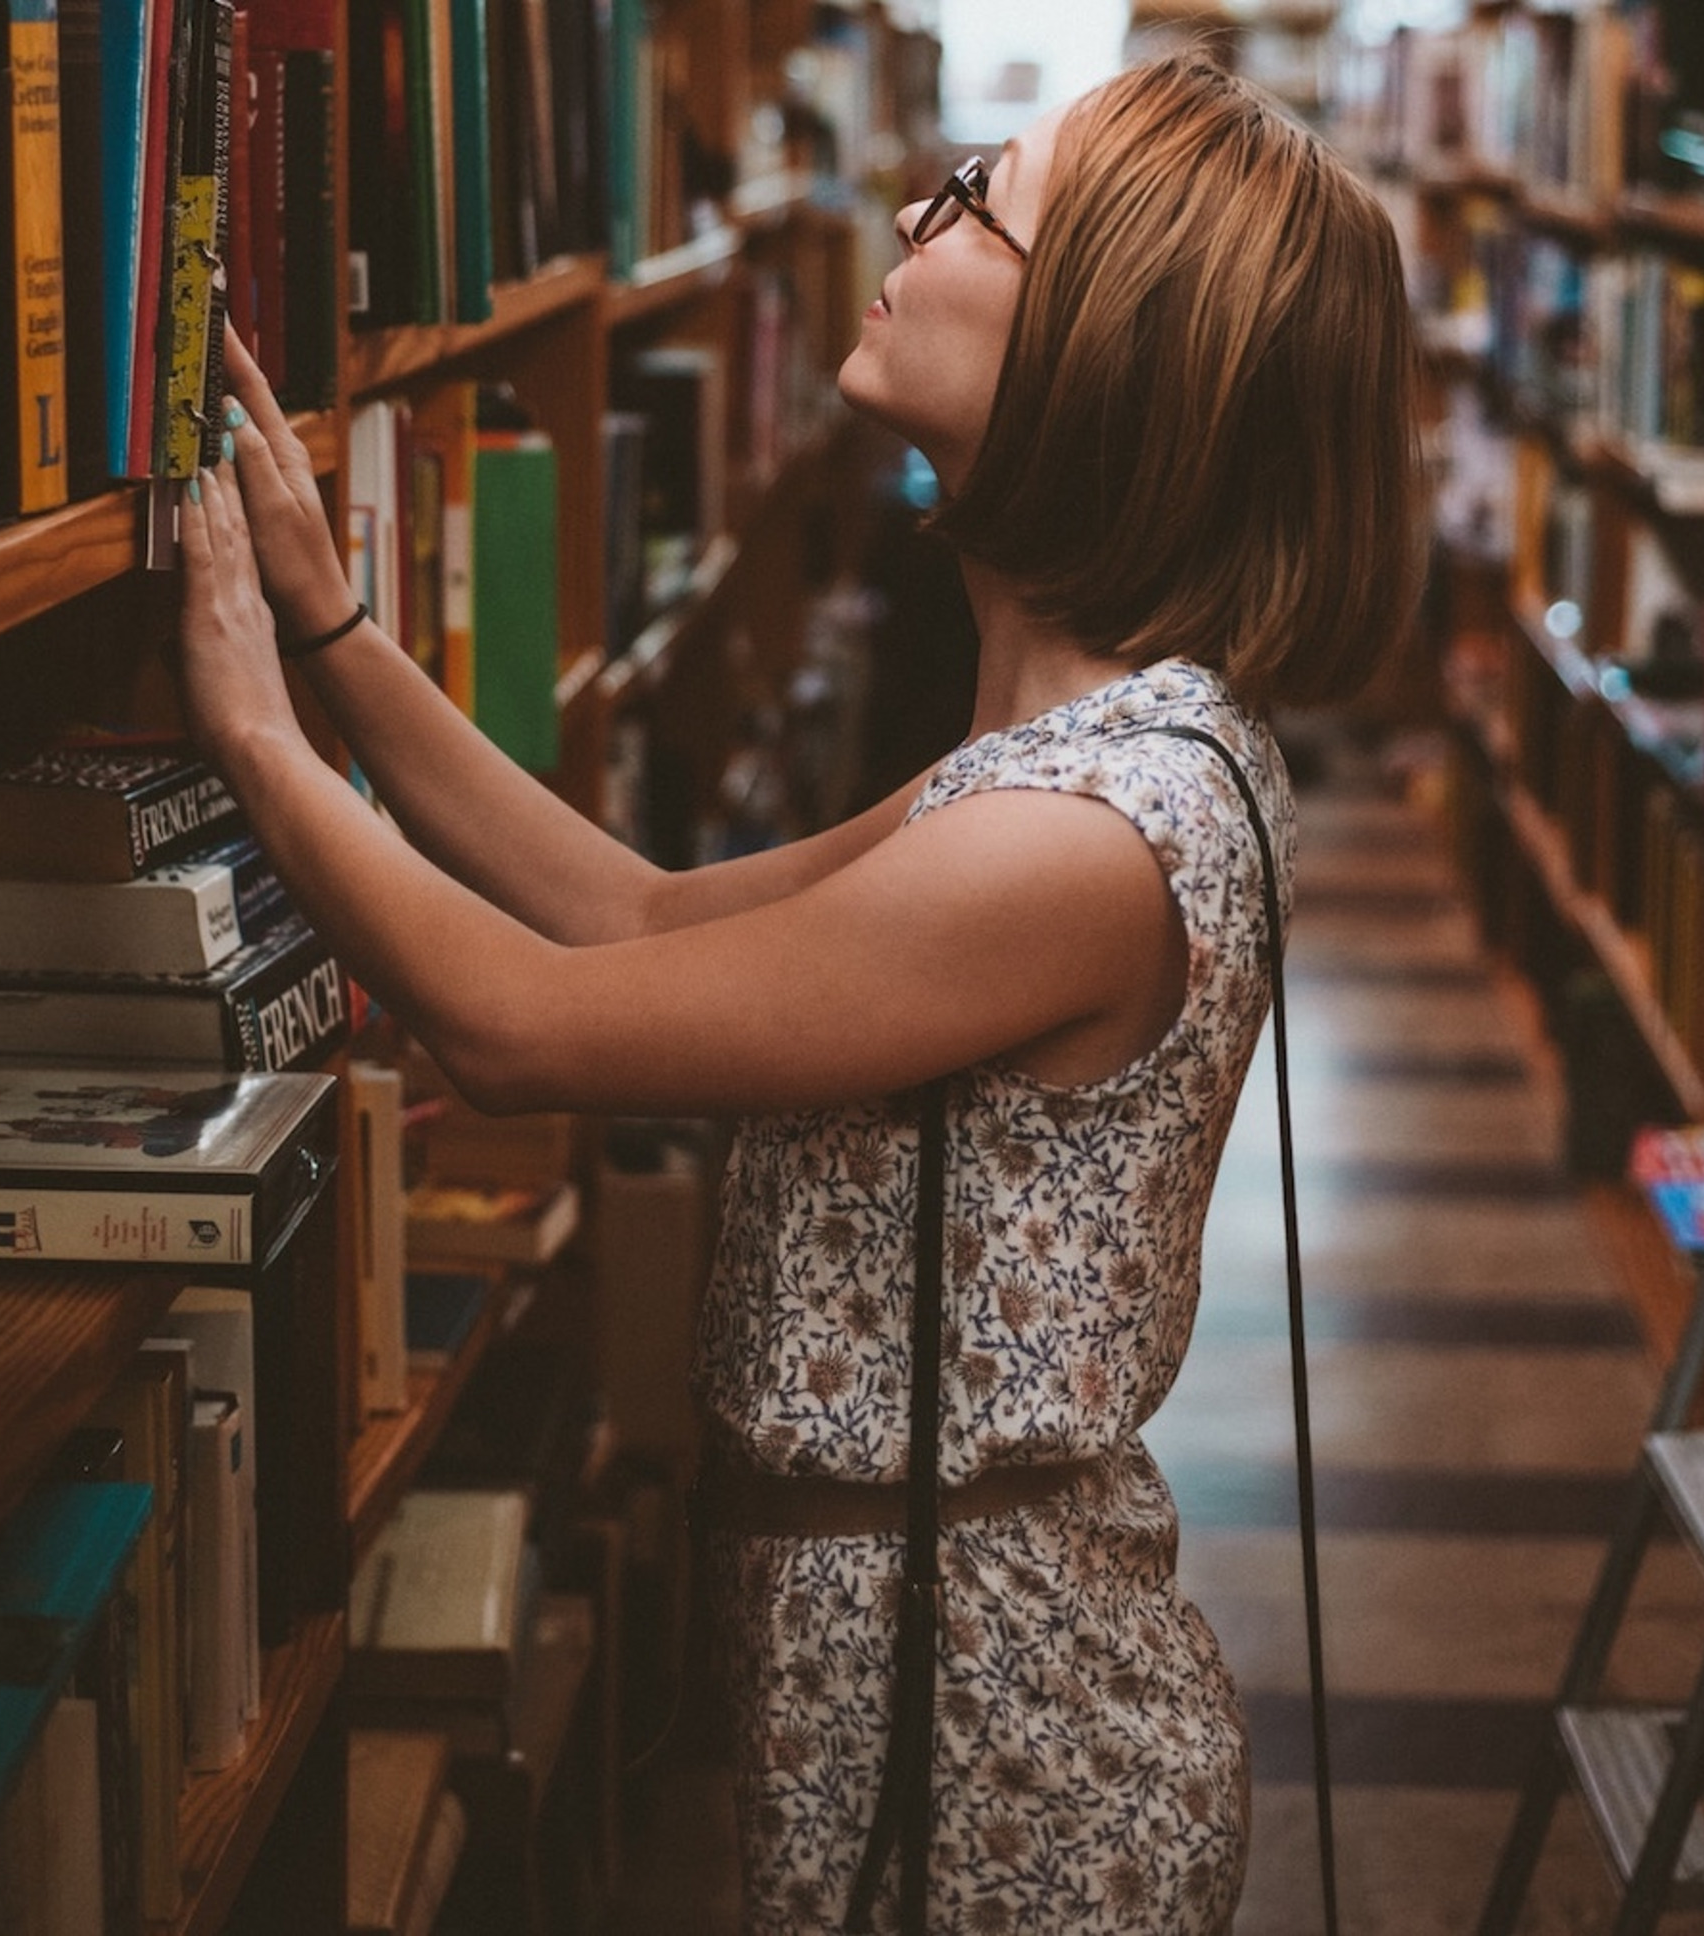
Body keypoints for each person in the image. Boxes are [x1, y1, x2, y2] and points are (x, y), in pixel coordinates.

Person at [175, 48, 1423, 1936]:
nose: (917, 213)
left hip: (1005, 1750)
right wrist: (336, 640)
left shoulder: (1084, 836)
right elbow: (637, 916)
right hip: (912, 1680)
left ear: (1101, 355)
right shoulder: (1074, 757)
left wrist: (254, 742)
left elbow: (517, 1029)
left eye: (982, 196)